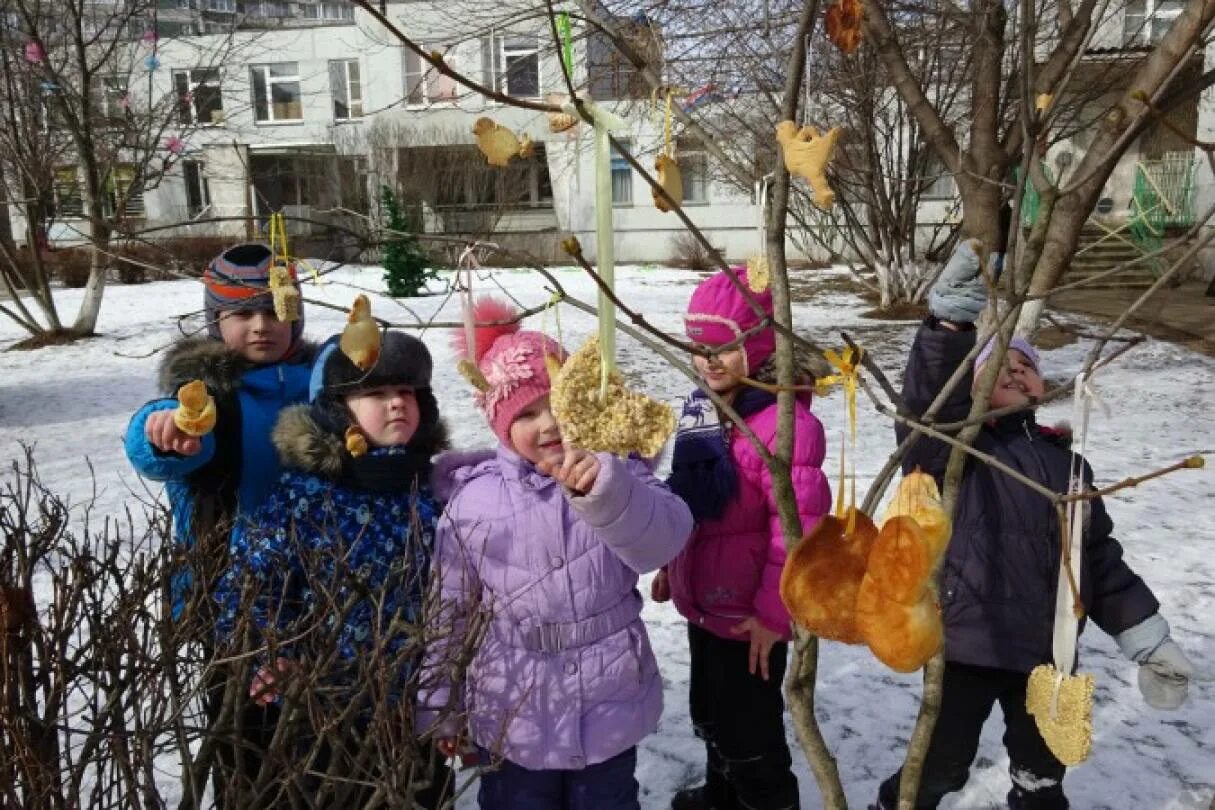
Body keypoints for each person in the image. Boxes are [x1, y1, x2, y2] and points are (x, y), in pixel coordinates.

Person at [871, 239, 1204, 810]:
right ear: (972, 387)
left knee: (1042, 773)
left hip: (1049, 653)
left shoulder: (1069, 466)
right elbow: (928, 407)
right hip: (968, 644)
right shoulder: (958, 449)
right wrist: (949, 323)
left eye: (1027, 367)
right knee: (939, 768)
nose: (1019, 374)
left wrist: (1147, 638)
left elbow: (1097, 560)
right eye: (1002, 367)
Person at [418, 298, 694, 810]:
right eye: (525, 413)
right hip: (512, 707)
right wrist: (440, 704)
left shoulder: (615, 471)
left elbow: (666, 538)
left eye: (558, 407)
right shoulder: (473, 500)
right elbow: (450, 609)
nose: (548, 426)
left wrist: (607, 494)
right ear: (500, 424)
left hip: (608, 698)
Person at [214, 331, 452, 808]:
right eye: (375, 393)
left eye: (407, 392)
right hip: (325, 705)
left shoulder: (437, 490)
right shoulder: (305, 498)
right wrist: (272, 652)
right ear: (336, 407)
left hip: (418, 700)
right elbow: (251, 586)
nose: (396, 404)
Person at [123, 242, 313, 805]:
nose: (262, 326)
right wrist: (164, 431)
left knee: (321, 739)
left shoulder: (329, 386)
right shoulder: (208, 395)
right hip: (234, 602)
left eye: (277, 310)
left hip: (324, 594)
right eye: (242, 314)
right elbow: (162, 440)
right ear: (216, 320)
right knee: (244, 745)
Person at [656, 266, 832, 810]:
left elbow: (797, 533)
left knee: (750, 739)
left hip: (752, 617)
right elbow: (692, 504)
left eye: (725, 347)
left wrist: (775, 616)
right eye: (699, 347)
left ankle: (763, 800)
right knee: (711, 716)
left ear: (757, 345)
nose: (708, 360)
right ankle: (720, 797)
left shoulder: (785, 426)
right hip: (706, 604)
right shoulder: (706, 412)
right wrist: (670, 561)